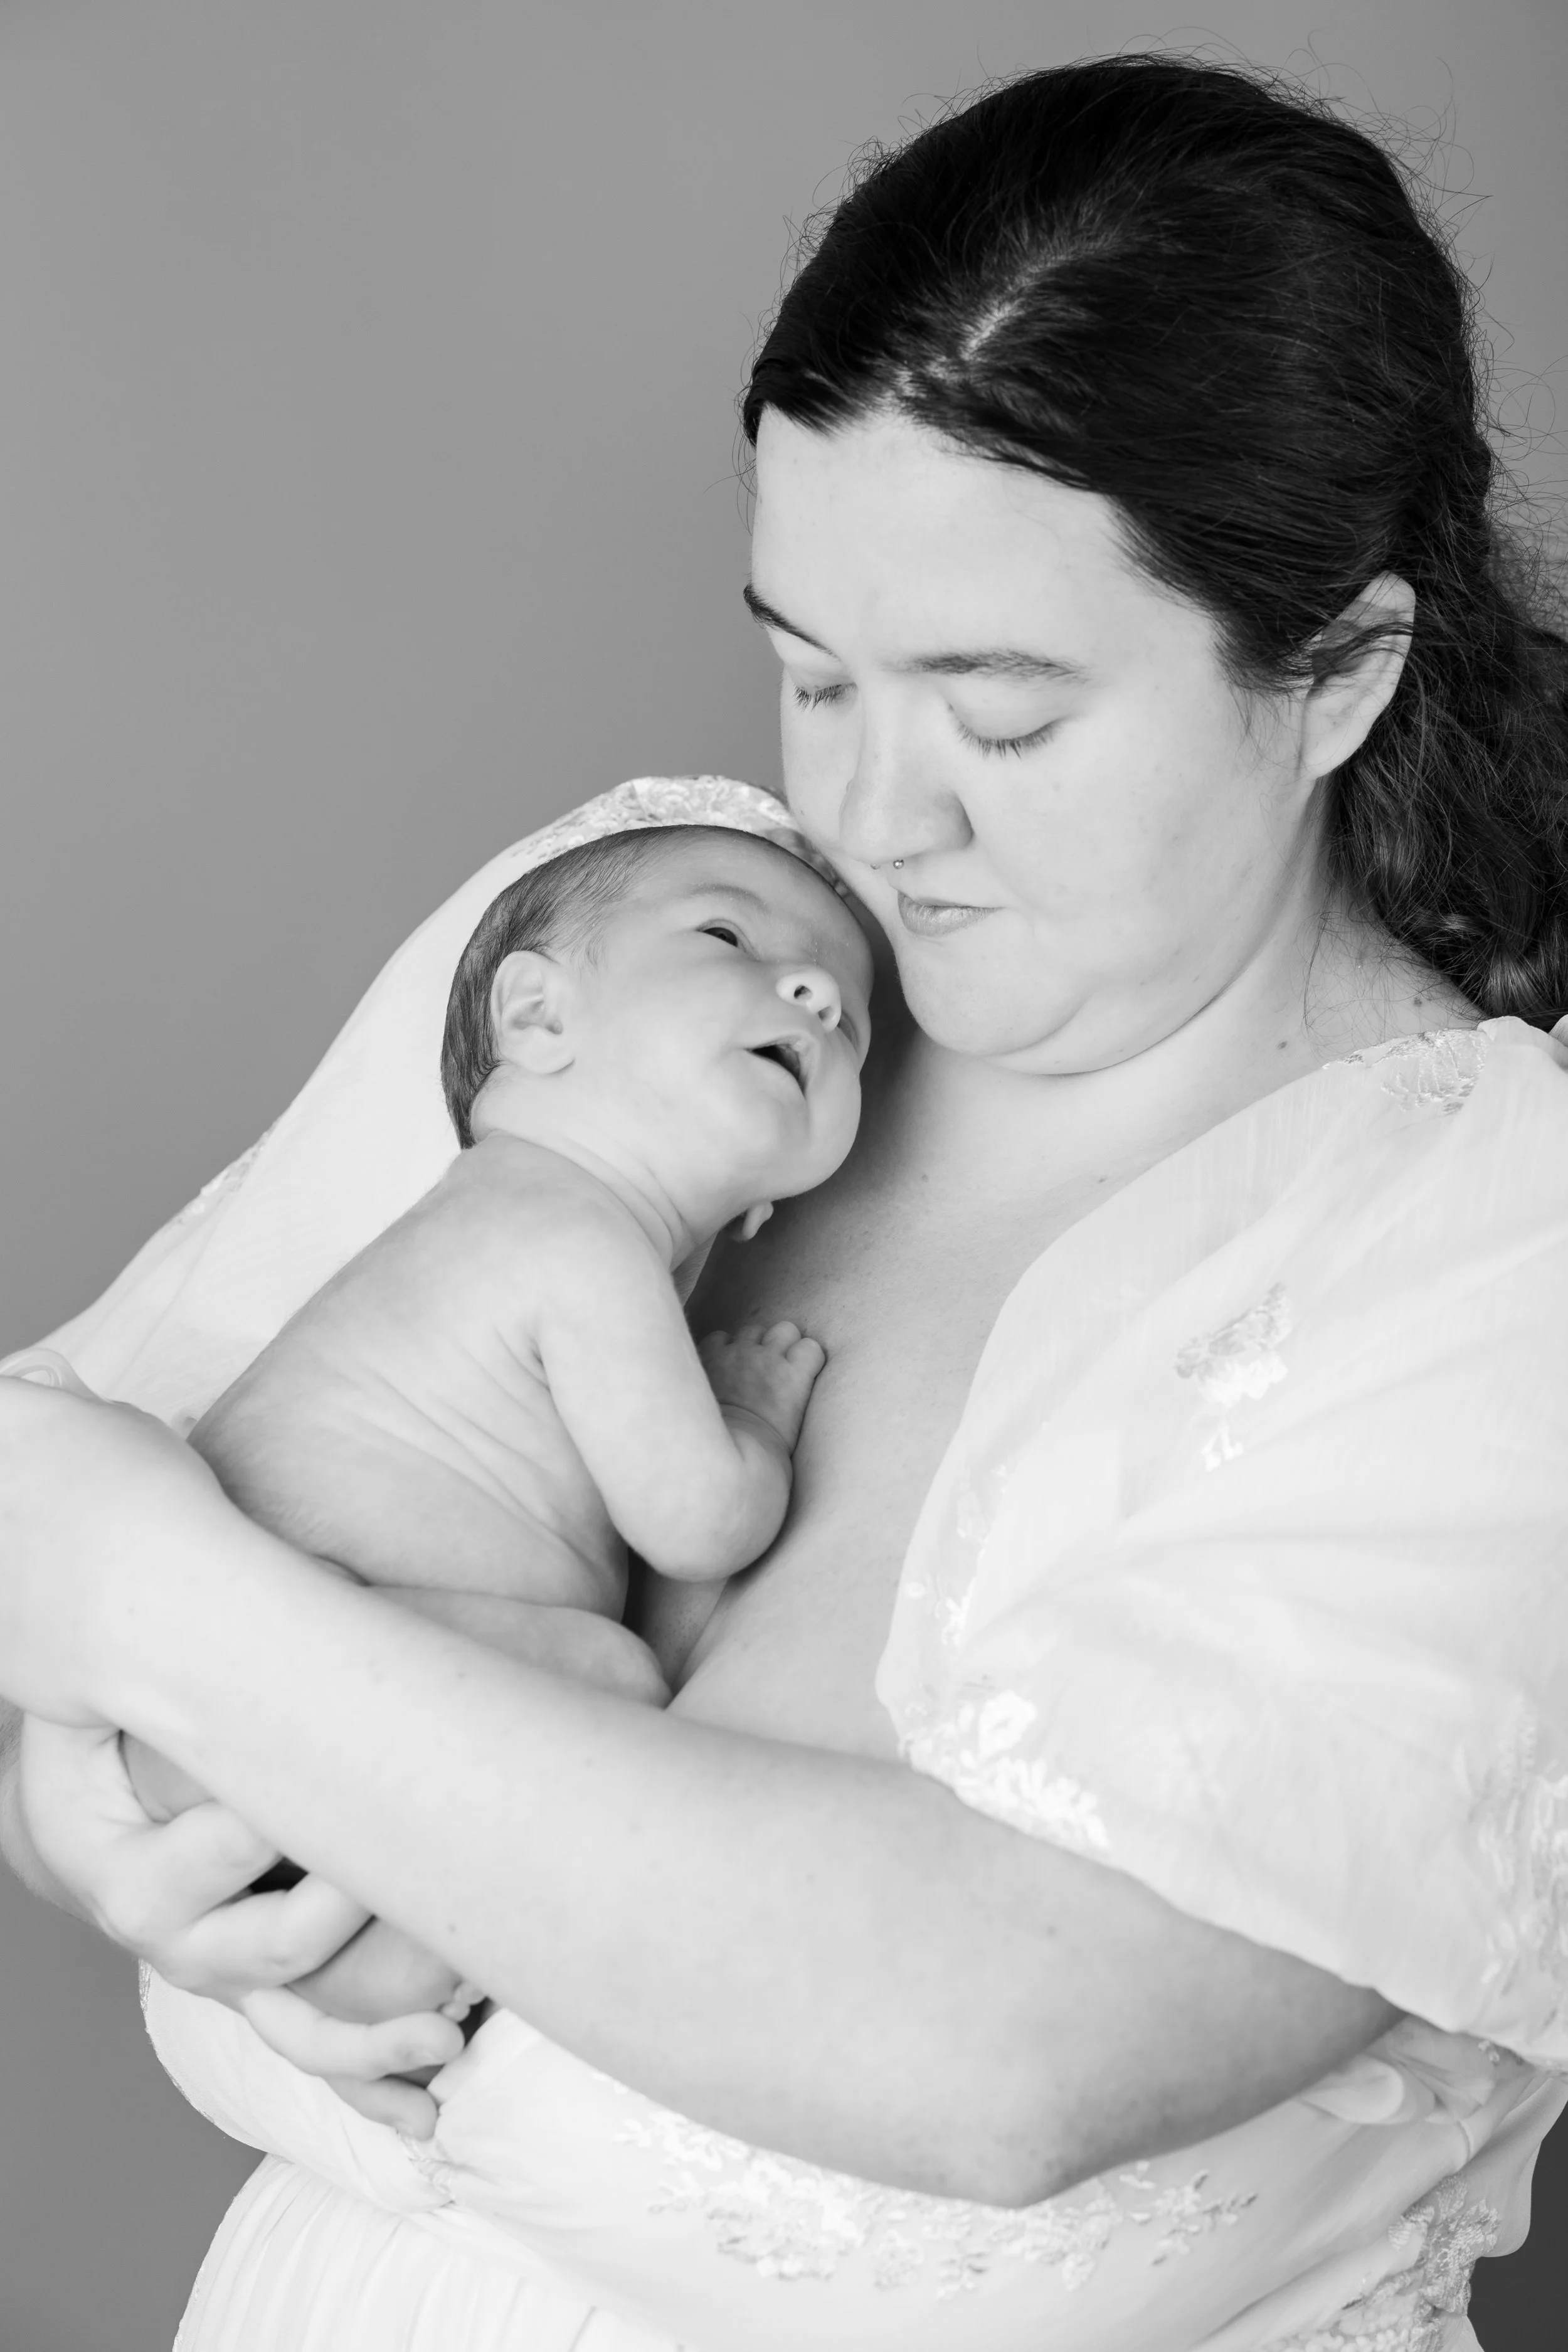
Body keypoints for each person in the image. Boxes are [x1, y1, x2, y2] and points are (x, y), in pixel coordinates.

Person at [2, 52, 1567, 2352]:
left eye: (1001, 717)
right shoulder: (669, 946)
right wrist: (95, 1816)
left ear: (1337, 671)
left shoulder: (1495, 1247)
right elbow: (47, 1560)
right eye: (812, 670)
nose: (877, 814)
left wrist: (162, 1612)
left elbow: (1004, 2046)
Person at [112, 817, 870, 2035]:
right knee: (614, 1675)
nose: (811, 989)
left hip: (244, 1689)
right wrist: (750, 1417)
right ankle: (374, 1994)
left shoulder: (496, 1222)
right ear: (537, 1017)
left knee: (413, 1897)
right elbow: (696, 1524)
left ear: (771, 1202)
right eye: (728, 933)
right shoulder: (574, 1231)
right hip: (285, 1648)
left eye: (850, 1025)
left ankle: (361, 2000)